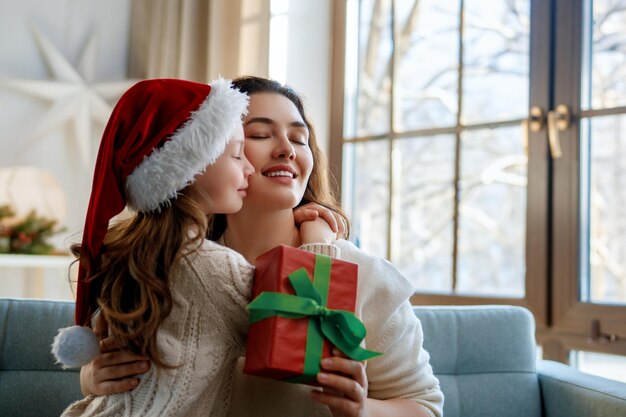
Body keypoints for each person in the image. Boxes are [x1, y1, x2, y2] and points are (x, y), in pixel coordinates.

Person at [79, 76, 444, 417]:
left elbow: (424, 406)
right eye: (259, 135)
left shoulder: (366, 275)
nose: (286, 149)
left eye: (299, 139)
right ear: (206, 155)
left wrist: (362, 410)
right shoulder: (165, 264)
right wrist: (92, 378)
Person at [53, 78, 340, 417]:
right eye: (239, 153)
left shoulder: (133, 252)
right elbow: (300, 338)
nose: (247, 166)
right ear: (193, 168)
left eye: (299, 138)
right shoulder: (212, 268)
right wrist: (318, 244)